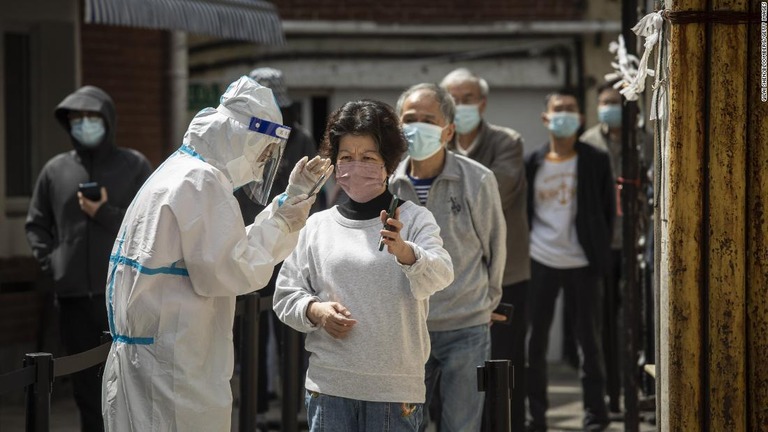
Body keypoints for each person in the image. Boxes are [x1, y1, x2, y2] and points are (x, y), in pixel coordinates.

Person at [100, 76, 330, 431]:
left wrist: (285, 204)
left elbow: (222, 251)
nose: (263, 160)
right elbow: (233, 269)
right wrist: (283, 220)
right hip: (174, 366)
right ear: (241, 135)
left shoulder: (179, 170)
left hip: (153, 358)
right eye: (264, 150)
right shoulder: (200, 182)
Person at [273, 99, 454, 432]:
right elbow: (285, 294)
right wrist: (315, 310)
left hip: (395, 393)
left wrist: (405, 251)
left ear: (388, 163)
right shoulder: (317, 225)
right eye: (346, 158)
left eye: (369, 158)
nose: (356, 167)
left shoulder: (413, 219)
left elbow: (441, 274)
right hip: (329, 389)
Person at [25, 85, 152, 432]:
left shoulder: (134, 165)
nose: (84, 124)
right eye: (77, 119)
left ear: (108, 120)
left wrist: (104, 212)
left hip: (123, 295)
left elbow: (150, 222)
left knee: (126, 380)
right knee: (84, 384)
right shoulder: (55, 170)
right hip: (73, 298)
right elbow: (36, 223)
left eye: (92, 118)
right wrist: (53, 264)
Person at [390, 83, 506, 432]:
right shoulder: (387, 182)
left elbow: (495, 246)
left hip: (464, 327)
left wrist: (489, 302)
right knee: (405, 424)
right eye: (410, 118)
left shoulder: (477, 179)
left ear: (448, 130)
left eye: (429, 119)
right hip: (406, 328)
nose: (418, 126)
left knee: (462, 424)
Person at [440, 68, 529, 431]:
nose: (461, 106)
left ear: (483, 102)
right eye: (453, 100)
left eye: (467, 98)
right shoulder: (433, 146)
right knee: (450, 376)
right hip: (450, 282)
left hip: (505, 274)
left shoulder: (506, 142)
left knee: (506, 369)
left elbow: (496, 189)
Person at [525, 89, 614, 432]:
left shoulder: (595, 159)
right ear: (546, 118)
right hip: (540, 259)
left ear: (580, 117)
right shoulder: (533, 162)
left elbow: (607, 211)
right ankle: (537, 418)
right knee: (535, 344)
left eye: (572, 110)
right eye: (558, 110)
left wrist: (599, 250)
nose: (565, 115)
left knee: (589, 344)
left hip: (582, 262)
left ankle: (596, 417)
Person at [246, 66, 319, 420]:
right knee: (249, 328)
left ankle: (293, 403)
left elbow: (311, 193)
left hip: (289, 242)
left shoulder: (300, 138)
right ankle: (254, 403)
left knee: (289, 326)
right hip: (247, 242)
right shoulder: (243, 135)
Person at [579, 79, 624, 413]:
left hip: (633, 246)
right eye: (605, 102)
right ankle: (608, 394)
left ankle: (629, 389)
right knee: (600, 324)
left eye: (616, 102)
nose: (610, 108)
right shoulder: (587, 144)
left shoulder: (644, 141)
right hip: (598, 249)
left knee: (631, 322)